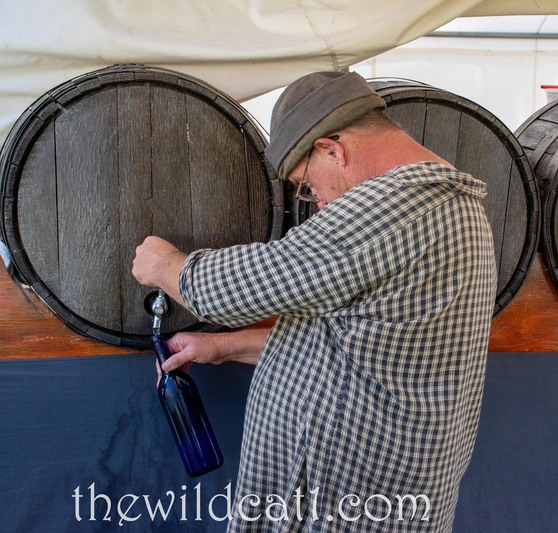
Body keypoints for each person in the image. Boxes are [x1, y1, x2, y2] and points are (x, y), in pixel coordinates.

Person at [132, 70, 497, 532]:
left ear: (332, 150)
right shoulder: (454, 203)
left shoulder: (394, 204)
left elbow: (228, 291)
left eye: (307, 184)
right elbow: (361, 345)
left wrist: (165, 265)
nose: (316, 202)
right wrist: (222, 347)